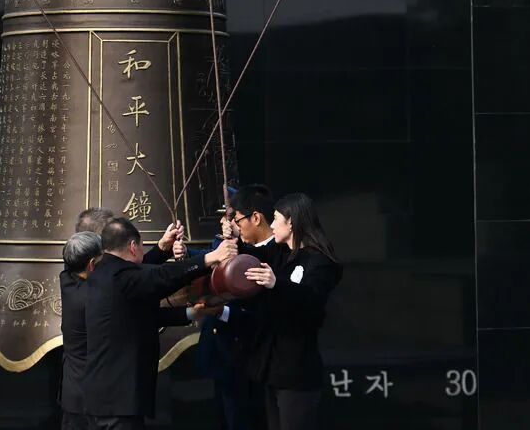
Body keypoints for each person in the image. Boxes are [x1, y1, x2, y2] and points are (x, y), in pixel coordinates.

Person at [84, 218, 238, 429]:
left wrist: (162, 249)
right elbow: (159, 277)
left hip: (107, 395)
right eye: (141, 246)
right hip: (118, 400)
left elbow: (142, 280)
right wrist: (210, 258)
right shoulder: (122, 278)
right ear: (132, 246)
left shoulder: (103, 272)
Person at [221, 193, 343, 430]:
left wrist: (277, 284)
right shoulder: (282, 253)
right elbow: (254, 256)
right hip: (273, 369)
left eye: (276, 219)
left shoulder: (319, 262)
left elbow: (311, 299)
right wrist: (235, 238)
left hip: (297, 371)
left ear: (292, 223)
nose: (273, 225)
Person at [197, 184, 275, 430]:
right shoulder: (225, 242)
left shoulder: (267, 252)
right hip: (221, 349)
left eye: (234, 218)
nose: (228, 223)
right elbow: (212, 264)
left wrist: (223, 312)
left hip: (247, 350)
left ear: (254, 218)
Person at [59, 231, 103, 430]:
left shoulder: (66, 279)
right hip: (94, 401)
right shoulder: (94, 298)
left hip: (72, 396)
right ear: (92, 264)